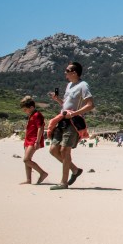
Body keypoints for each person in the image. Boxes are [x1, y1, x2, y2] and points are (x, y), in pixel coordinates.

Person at [47, 61, 94, 190]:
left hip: (74, 122)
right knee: (53, 150)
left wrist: (73, 114)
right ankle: (75, 170)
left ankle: (63, 182)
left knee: (64, 150)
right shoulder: (69, 85)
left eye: (67, 71)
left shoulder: (83, 85)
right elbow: (66, 105)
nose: (65, 73)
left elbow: (90, 105)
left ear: (74, 72)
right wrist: (57, 100)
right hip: (63, 119)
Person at [20, 96, 48, 185]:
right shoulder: (31, 115)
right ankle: (28, 179)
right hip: (28, 140)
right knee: (28, 160)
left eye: (25, 109)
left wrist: (37, 141)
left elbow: (40, 128)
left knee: (26, 159)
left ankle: (43, 173)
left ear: (31, 107)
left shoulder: (37, 115)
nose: (24, 111)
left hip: (34, 139)